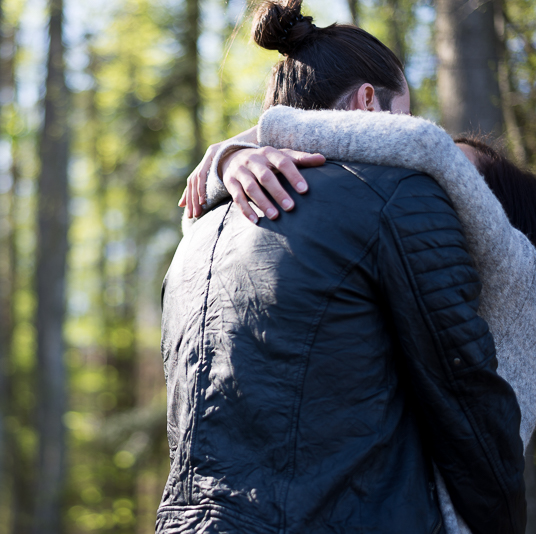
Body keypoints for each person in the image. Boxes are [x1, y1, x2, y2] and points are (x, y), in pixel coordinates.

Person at [159, 1, 526, 533]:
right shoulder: (395, 193)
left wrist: (226, 154)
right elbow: (466, 397)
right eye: (408, 111)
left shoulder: (197, 235)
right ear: (369, 103)